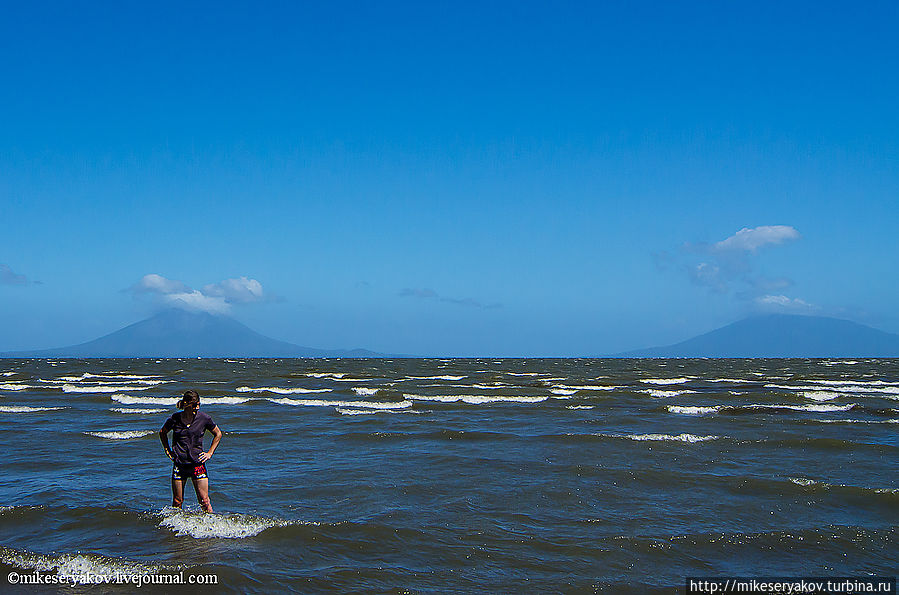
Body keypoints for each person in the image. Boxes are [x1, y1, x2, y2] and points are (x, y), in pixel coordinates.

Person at [159, 390, 223, 513]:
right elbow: (162, 432)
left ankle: (210, 525)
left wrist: (210, 453)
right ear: (186, 404)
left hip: (197, 464)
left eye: (198, 404)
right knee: (177, 501)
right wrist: (167, 449)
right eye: (194, 405)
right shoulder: (175, 418)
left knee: (204, 501)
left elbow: (218, 434)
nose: (197, 407)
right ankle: (175, 527)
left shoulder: (204, 418)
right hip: (180, 464)